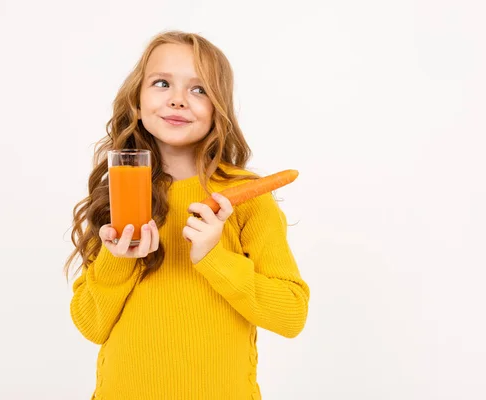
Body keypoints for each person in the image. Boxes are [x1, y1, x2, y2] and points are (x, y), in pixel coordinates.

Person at [64, 30, 310, 400]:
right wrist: (117, 261)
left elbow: (291, 316)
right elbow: (92, 326)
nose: (178, 100)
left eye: (199, 90)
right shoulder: (117, 192)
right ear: (136, 102)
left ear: (218, 107)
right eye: (162, 83)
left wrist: (214, 257)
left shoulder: (245, 197)